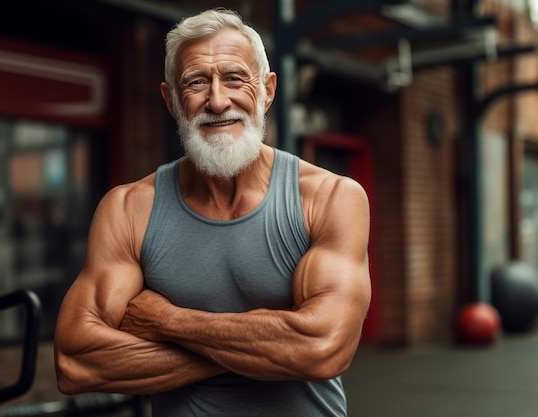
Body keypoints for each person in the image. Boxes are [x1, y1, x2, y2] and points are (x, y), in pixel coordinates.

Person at [54, 8, 371, 417]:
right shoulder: (129, 208)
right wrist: (270, 351)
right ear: (171, 100)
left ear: (268, 90)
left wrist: (168, 322)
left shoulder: (330, 198)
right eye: (197, 82)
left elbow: (323, 349)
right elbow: (76, 362)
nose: (218, 101)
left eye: (235, 78)